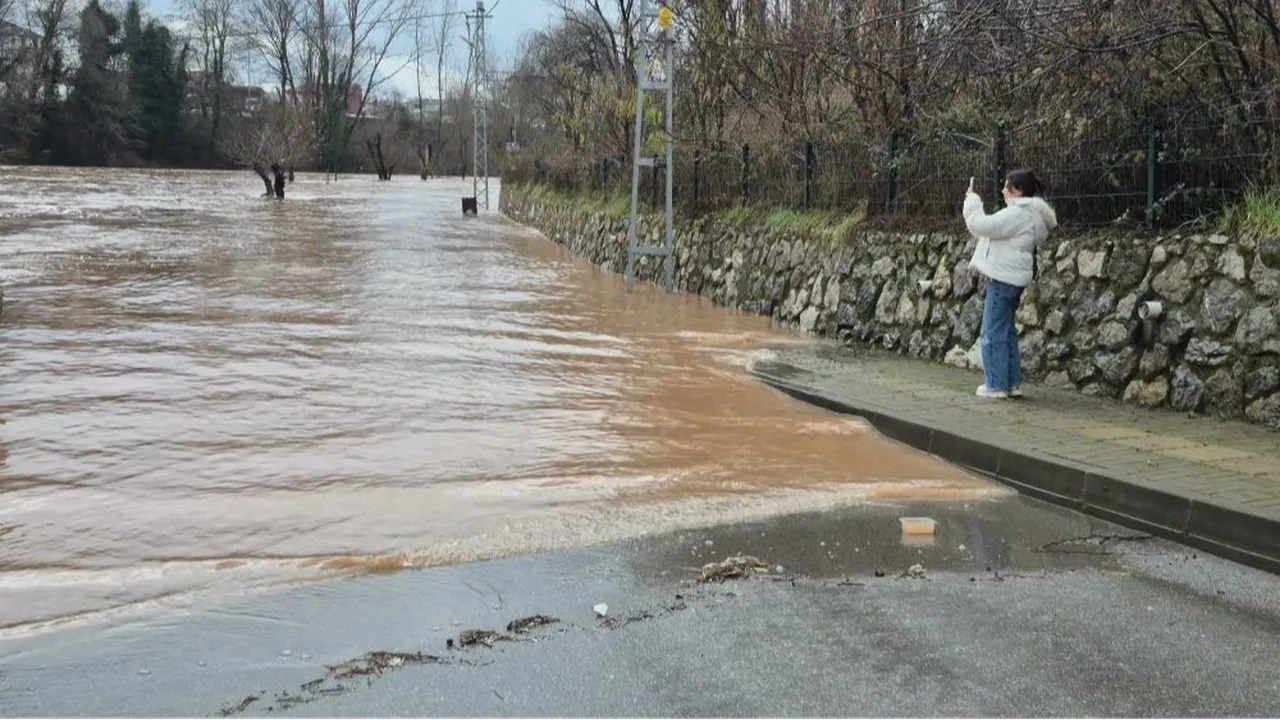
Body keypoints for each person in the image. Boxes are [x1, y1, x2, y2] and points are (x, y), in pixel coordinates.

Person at [962, 169, 1058, 399]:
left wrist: (973, 203)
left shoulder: (1017, 214)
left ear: (1018, 191)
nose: (1003, 190)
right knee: (1006, 332)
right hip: (1012, 280)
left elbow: (981, 225)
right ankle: (1011, 383)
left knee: (992, 332)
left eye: (1008, 186)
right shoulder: (1028, 214)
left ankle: (995, 385)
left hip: (1003, 279)